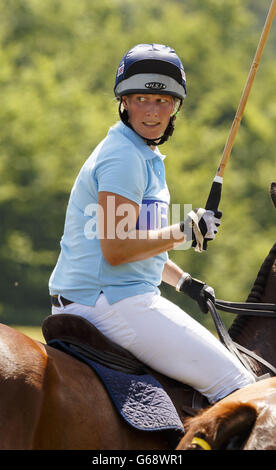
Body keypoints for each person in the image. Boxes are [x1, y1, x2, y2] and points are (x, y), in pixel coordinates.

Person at [49, 44, 255, 404]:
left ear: (176, 106)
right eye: (141, 98)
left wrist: (182, 281)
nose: (152, 111)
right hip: (110, 301)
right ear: (124, 101)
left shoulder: (138, 153)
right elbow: (116, 250)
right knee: (240, 388)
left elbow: (136, 241)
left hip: (106, 297)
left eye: (163, 101)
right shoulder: (123, 158)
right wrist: (185, 231)